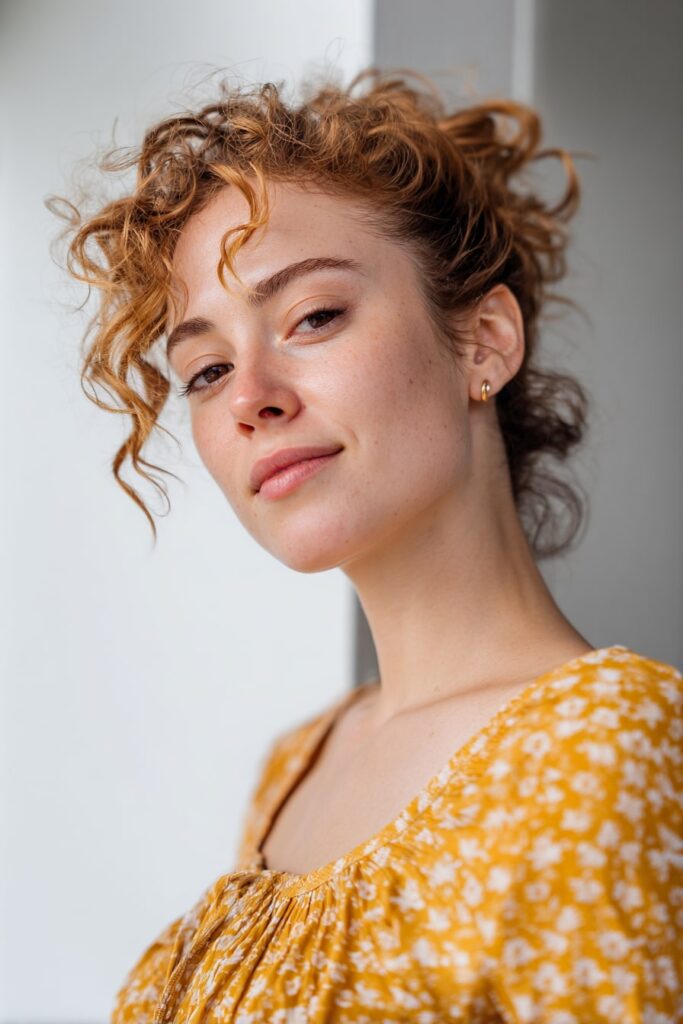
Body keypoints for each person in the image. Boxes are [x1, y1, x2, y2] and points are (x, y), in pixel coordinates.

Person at [50, 66, 682, 1022]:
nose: (250, 397)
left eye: (313, 317)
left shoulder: (606, 743)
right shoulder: (296, 767)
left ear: (483, 342)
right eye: (206, 369)